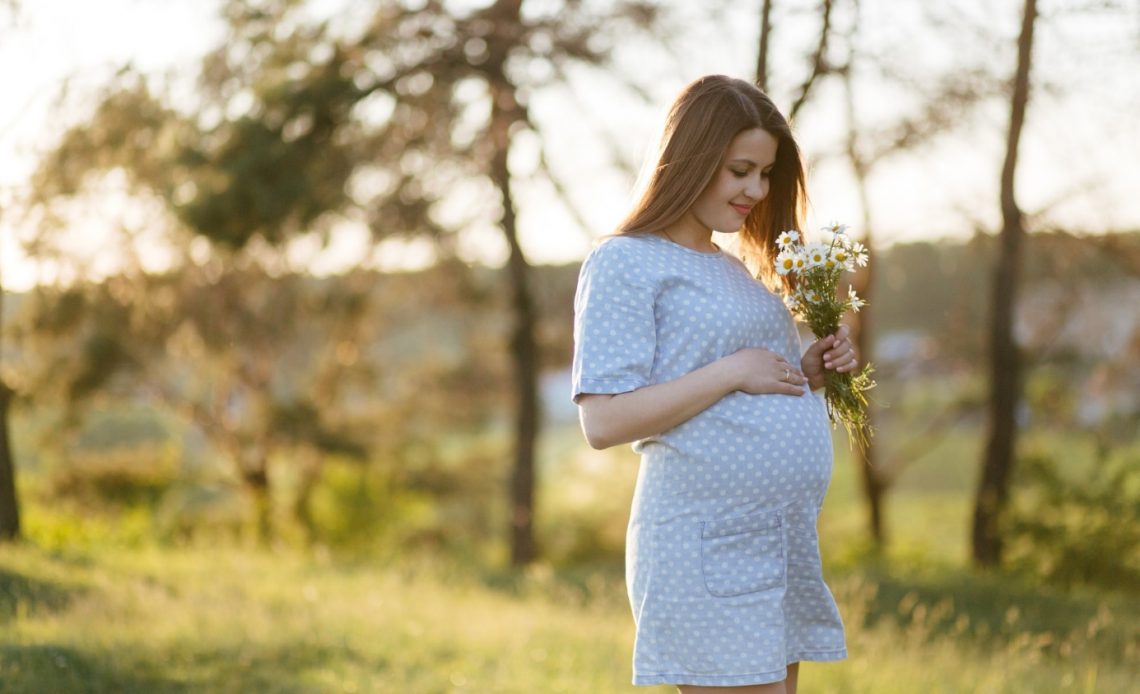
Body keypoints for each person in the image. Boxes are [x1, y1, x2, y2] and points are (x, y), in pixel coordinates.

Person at [570, 75, 859, 693]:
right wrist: (733, 371)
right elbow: (603, 421)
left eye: (766, 174)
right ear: (693, 159)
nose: (756, 190)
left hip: (778, 541)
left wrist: (807, 374)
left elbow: (756, 384)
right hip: (704, 547)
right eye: (740, 170)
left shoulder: (736, 269)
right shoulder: (625, 260)